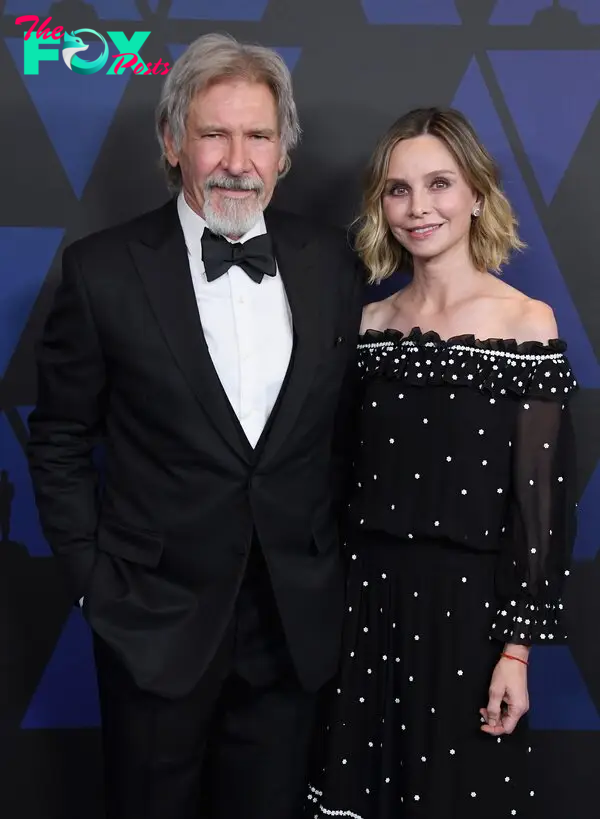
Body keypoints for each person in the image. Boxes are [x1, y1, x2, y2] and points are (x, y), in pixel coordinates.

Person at [26, 33, 363, 819]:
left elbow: (349, 433)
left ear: (284, 153)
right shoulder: (102, 269)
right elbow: (61, 438)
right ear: (173, 143)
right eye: (214, 133)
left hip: (292, 627)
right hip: (152, 623)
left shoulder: (336, 264)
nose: (237, 159)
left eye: (258, 135)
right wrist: (93, 587)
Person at [308, 107, 578, 818]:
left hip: (470, 612)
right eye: (398, 189)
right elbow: (334, 478)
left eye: (439, 183)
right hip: (363, 606)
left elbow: (540, 508)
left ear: (476, 193)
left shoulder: (528, 322)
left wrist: (516, 651)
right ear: (380, 204)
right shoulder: (367, 324)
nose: (419, 207)